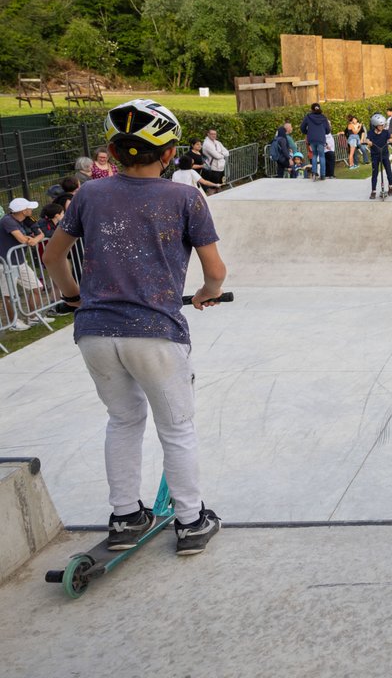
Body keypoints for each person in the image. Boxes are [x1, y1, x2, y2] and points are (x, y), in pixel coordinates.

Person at [42, 99, 227, 556]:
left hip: (94, 332)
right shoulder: (186, 197)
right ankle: (190, 521)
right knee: (177, 427)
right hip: (154, 333)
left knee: (123, 420)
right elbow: (216, 271)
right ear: (169, 154)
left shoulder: (88, 193)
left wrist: (72, 297)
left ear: (114, 149)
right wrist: (205, 294)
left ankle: (125, 514)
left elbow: (52, 256)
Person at [1, 198, 46, 330]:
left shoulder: (26, 219)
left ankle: (32, 317)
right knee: (9, 295)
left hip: (20, 262)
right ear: (22, 210)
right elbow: (21, 239)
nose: (31, 210)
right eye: (29, 208)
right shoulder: (7, 221)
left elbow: (41, 234)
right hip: (6, 264)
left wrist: (34, 239)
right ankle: (13, 322)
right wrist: (30, 240)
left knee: (37, 288)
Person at [366, 112, 392, 200]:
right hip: (375, 155)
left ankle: (390, 187)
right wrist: (368, 142)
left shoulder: (386, 132)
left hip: (384, 154)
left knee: (388, 171)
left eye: (383, 125)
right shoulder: (370, 133)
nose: (382, 127)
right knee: (374, 173)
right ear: (375, 125)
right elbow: (367, 139)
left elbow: (389, 139)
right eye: (380, 125)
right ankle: (373, 191)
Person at [300, 103, 331, 181]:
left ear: (312, 109)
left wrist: (307, 132)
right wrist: (324, 132)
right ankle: (323, 175)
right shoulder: (323, 117)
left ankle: (314, 173)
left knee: (314, 155)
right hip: (321, 139)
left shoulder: (308, 117)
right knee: (321, 156)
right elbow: (328, 129)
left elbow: (302, 127)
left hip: (312, 139)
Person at [200, 129, 229, 195]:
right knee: (213, 186)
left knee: (220, 183)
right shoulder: (207, 144)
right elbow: (217, 156)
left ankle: (218, 193)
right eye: (212, 134)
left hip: (221, 166)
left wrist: (220, 153)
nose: (214, 135)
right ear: (208, 134)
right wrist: (222, 154)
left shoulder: (218, 142)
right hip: (213, 168)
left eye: (215, 134)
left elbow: (227, 152)